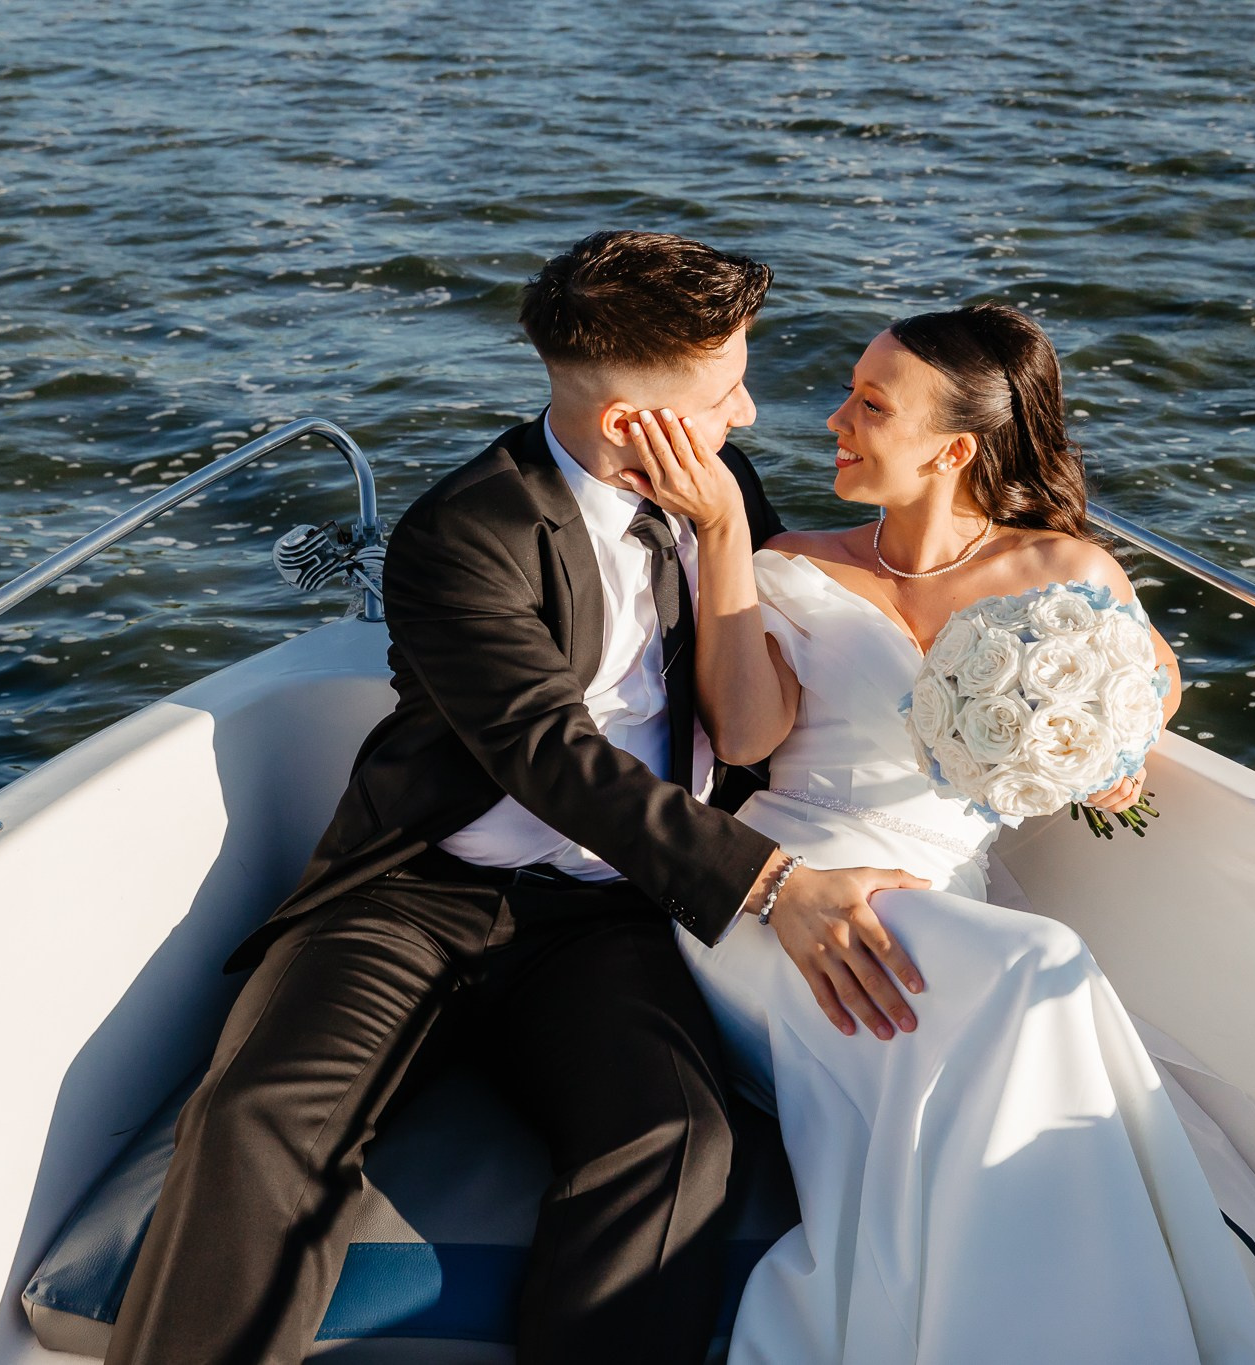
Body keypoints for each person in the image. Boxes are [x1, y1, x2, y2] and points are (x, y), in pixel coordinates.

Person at [102, 230, 942, 1365]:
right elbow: (548, 757)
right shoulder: (461, 535)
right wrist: (772, 886)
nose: (746, 418)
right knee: (259, 1118)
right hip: (413, 894)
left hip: (606, 920)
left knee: (677, 1143)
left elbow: (750, 714)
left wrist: (727, 529)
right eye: (726, 392)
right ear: (624, 424)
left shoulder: (722, 489)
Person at [621, 300, 1255, 1363]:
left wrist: (1102, 764)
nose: (832, 418)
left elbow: (1140, 696)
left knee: (1014, 978)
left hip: (941, 903)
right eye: (846, 393)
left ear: (954, 449)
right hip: (777, 900)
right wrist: (722, 536)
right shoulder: (794, 561)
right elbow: (744, 731)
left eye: (869, 404)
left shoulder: (1062, 576)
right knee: (1042, 965)